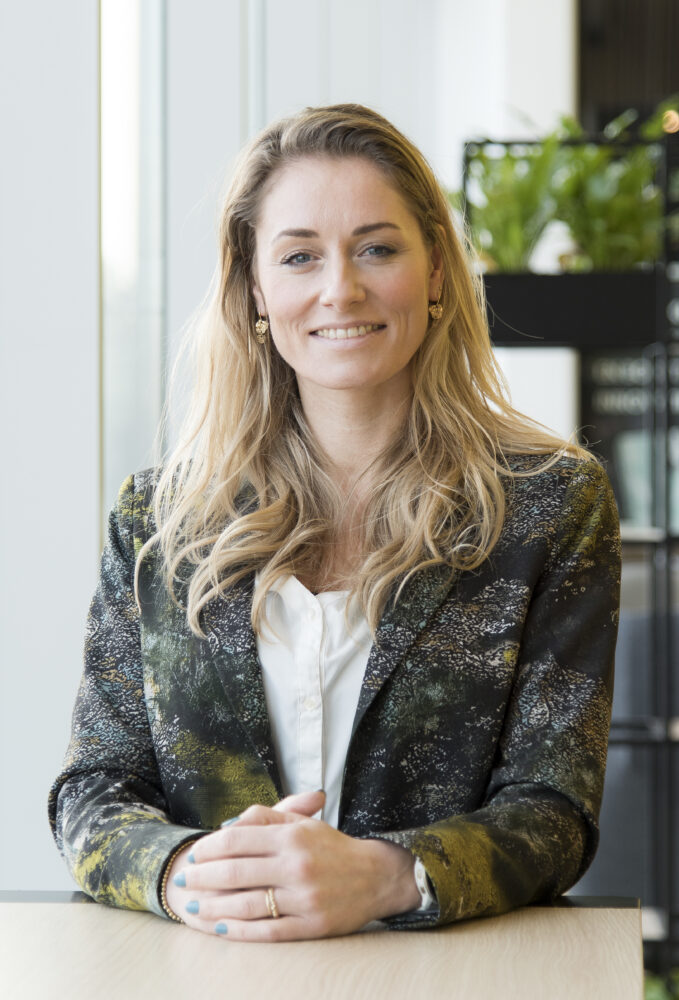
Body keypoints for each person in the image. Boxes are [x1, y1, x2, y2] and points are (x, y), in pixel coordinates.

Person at [48, 103, 621, 942]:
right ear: (255, 288)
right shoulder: (159, 521)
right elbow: (93, 789)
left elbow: (554, 810)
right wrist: (190, 879)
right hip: (207, 973)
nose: (339, 288)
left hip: (448, 980)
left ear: (434, 270)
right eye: (299, 257)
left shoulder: (550, 505)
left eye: (377, 248)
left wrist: (388, 877)